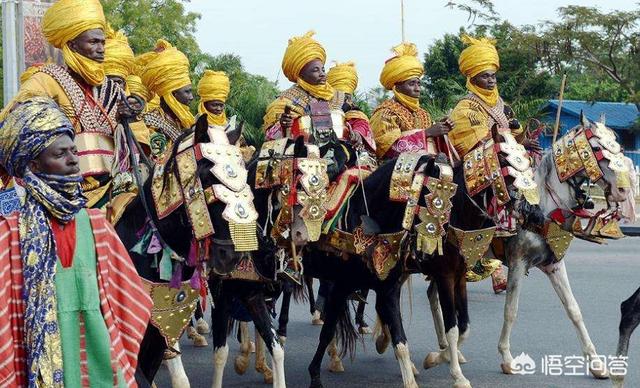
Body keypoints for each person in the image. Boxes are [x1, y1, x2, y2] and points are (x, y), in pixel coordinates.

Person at [0, 97, 152, 387]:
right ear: (33, 164)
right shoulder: (9, 232)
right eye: (61, 154)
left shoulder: (97, 226)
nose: (73, 161)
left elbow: (132, 303)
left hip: (102, 368)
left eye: (74, 151)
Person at [1, 0, 126, 208]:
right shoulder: (44, 80)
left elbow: (140, 140)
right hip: (60, 189)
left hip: (114, 186)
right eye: (93, 42)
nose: (101, 49)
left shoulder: (113, 88)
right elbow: (13, 127)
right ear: (73, 44)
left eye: (103, 43)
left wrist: (128, 119)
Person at [448, 35, 540, 293]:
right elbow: (472, 143)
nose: (490, 80)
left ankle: (531, 226)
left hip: (505, 160)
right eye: (484, 76)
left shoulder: (502, 105)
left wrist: (524, 142)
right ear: (472, 78)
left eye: (493, 75)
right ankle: (485, 255)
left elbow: (516, 133)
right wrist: (502, 141)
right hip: (477, 166)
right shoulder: (465, 108)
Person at [370, 42, 453, 160]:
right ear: (396, 86)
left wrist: (442, 130)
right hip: (396, 171)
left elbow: (432, 147)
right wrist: (426, 133)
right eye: (411, 84)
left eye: (419, 83)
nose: (417, 88)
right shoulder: (385, 113)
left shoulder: (423, 114)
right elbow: (388, 149)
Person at [262, 31, 344, 146]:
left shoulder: (337, 97)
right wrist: (284, 126)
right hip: (301, 154)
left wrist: (354, 132)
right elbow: (270, 138)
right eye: (315, 70)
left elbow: (350, 124)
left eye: (323, 70)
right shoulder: (284, 102)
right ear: (301, 75)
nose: (322, 74)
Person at [140, 40, 195, 158]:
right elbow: (158, 161)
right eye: (187, 92)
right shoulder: (152, 123)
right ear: (173, 95)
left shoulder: (183, 122)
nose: (191, 97)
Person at [326, 61, 376, 154]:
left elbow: (362, 125)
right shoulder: (322, 108)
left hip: (351, 153)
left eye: (347, 97)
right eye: (340, 96)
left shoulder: (355, 113)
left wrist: (357, 133)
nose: (346, 101)